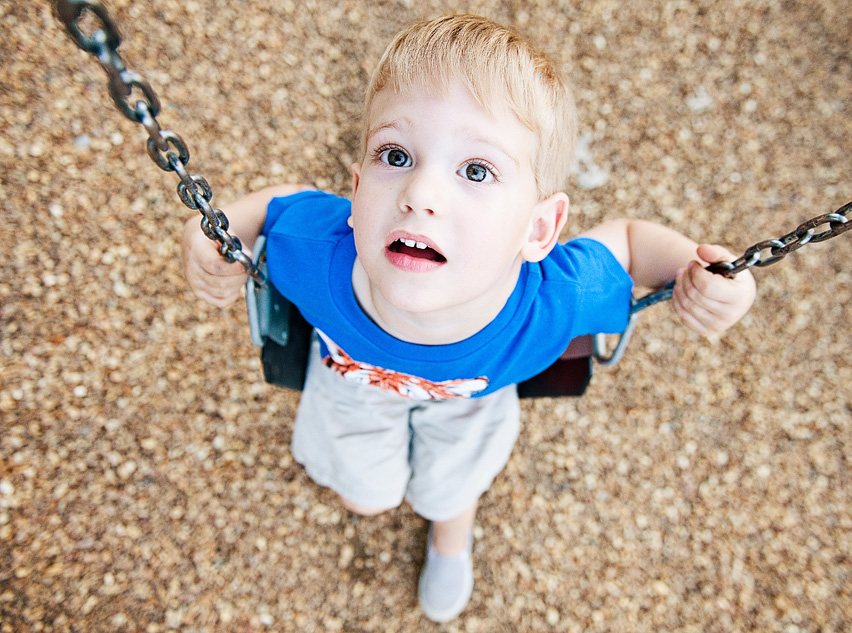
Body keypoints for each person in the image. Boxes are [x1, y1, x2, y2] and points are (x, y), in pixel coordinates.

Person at [180, 14, 756, 622]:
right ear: (355, 192)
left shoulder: (549, 300)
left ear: (538, 229)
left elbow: (634, 246)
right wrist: (211, 232)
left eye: (475, 170)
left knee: (449, 487)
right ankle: (383, 491)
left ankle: (452, 531)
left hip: (473, 399)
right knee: (366, 496)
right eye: (396, 154)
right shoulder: (319, 250)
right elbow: (270, 210)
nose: (420, 193)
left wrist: (710, 278)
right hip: (351, 381)